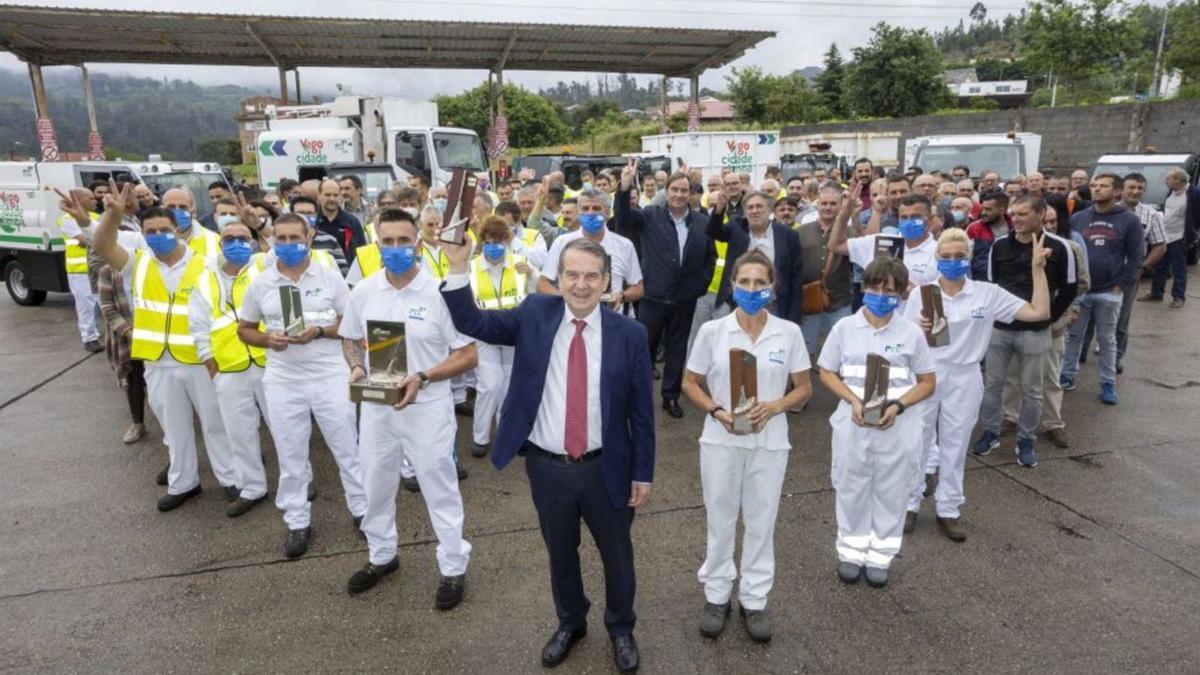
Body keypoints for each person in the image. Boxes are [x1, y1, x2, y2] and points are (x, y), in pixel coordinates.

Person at [439, 237, 654, 674]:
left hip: (605, 466)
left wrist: (642, 473)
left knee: (618, 555)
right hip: (548, 467)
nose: (581, 284)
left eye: (592, 276)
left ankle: (620, 628)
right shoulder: (534, 315)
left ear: (607, 281)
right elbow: (472, 320)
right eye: (572, 274)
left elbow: (640, 412)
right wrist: (459, 267)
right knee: (561, 552)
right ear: (557, 278)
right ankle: (571, 623)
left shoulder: (630, 334)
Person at [339, 209, 477, 606]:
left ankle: (453, 566)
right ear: (377, 244)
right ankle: (382, 555)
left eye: (404, 241)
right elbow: (349, 338)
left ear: (418, 243)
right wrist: (356, 365)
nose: (396, 249)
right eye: (388, 242)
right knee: (375, 485)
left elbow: (467, 354)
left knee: (440, 488)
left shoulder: (440, 294)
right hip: (379, 407)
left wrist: (424, 376)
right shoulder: (364, 291)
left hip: (427, 407)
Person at [681, 250, 812, 642]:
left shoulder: (788, 332)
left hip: (769, 443)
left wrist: (775, 406)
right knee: (720, 519)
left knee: (761, 521)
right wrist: (717, 410)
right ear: (733, 284)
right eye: (745, 282)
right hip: (720, 440)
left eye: (760, 283)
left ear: (772, 288)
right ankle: (717, 595)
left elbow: (804, 388)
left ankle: (754, 599)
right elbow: (690, 382)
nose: (752, 289)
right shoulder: (713, 331)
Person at [89, 182, 234, 512]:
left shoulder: (207, 263)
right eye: (150, 230)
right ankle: (184, 482)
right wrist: (112, 216)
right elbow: (101, 243)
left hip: (199, 359)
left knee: (215, 423)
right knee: (174, 428)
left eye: (164, 230)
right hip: (158, 362)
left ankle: (230, 478)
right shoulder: (137, 262)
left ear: (179, 232)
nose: (158, 235)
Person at [903, 228, 1050, 541]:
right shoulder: (922, 293)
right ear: (936, 258)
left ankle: (949, 508)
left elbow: (1039, 312)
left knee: (955, 445)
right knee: (918, 440)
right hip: (927, 373)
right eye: (946, 257)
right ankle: (910, 502)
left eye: (960, 256)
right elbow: (903, 338)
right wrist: (919, 327)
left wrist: (1038, 271)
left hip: (966, 375)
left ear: (969, 258)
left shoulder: (987, 293)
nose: (953, 261)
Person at [236, 213, 368, 558]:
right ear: (272, 241)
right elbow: (244, 328)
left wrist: (320, 331)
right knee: (291, 453)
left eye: (295, 238)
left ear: (309, 239)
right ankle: (297, 521)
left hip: (328, 375)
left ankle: (362, 511)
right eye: (280, 238)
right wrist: (267, 340)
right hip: (283, 379)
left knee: (347, 448)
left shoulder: (328, 276)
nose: (288, 245)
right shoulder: (260, 283)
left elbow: (349, 321)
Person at [816, 257, 936, 588]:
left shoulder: (911, 333)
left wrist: (898, 405)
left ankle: (880, 555)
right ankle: (851, 552)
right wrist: (853, 401)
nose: (880, 295)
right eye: (874, 287)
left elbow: (927, 382)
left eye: (888, 290)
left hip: (896, 427)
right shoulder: (845, 328)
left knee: (891, 491)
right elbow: (826, 371)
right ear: (864, 288)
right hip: (853, 425)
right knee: (851, 487)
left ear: (900, 295)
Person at [972, 194, 1077, 467]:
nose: (1015, 219)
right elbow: (992, 285)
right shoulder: (999, 246)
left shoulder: (1060, 247)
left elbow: (1069, 287)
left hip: (1037, 331)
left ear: (1041, 214)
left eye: (1022, 214)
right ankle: (991, 432)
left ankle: (1026, 439)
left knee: (1033, 390)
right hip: (1001, 329)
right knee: (993, 385)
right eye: (1013, 214)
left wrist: (1049, 318)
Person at [186, 202, 275, 518]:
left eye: (242, 238)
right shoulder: (205, 278)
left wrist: (261, 225)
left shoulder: (264, 265)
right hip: (228, 368)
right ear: (220, 243)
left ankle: (299, 481)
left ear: (251, 242)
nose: (236, 244)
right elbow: (197, 325)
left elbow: (286, 246)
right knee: (239, 432)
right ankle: (252, 487)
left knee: (284, 427)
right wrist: (211, 364)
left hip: (269, 360)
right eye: (229, 239)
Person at [615, 160, 717, 420]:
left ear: (691, 194)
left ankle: (670, 396)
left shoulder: (703, 223)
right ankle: (639, 397)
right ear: (667, 192)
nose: (680, 195)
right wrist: (625, 186)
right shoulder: (651, 215)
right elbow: (624, 219)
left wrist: (699, 286)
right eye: (675, 190)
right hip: (653, 297)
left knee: (677, 349)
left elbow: (710, 258)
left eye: (685, 191)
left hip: (685, 299)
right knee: (644, 347)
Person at [1059, 174, 1144, 405]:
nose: (1096, 189)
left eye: (1103, 186)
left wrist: (1120, 285)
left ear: (1116, 192)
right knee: (1074, 336)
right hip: (1081, 291)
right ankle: (1067, 376)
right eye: (1094, 185)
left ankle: (1108, 383)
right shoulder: (1078, 218)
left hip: (1109, 290)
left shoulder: (1128, 220)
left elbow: (1136, 256)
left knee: (1107, 339)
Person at [469, 215, 538, 455]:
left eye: (499, 241)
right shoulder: (472, 266)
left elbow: (539, 292)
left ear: (507, 241)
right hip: (484, 331)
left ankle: (506, 434)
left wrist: (532, 273)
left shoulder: (520, 263)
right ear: (482, 241)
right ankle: (480, 437)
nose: (494, 246)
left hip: (513, 331)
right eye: (489, 241)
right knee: (490, 385)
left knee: (510, 386)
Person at [540, 189, 644, 315]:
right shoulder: (562, 243)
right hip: (571, 318)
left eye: (596, 208)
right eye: (585, 208)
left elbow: (638, 288)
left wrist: (621, 296)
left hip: (611, 318)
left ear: (607, 212)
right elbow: (543, 284)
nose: (590, 213)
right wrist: (565, 297)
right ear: (578, 212)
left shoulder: (624, 245)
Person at [707, 190, 805, 325]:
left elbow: (796, 276)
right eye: (750, 207)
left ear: (770, 209)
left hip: (773, 303)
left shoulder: (788, 235)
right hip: (738, 301)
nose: (754, 211)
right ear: (745, 212)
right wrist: (719, 210)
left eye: (759, 206)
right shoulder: (737, 226)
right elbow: (714, 232)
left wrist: (794, 316)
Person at [830, 193, 940, 296]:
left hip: (916, 316)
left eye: (916, 217)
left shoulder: (940, 253)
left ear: (929, 220)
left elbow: (946, 294)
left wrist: (915, 292)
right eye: (904, 217)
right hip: (878, 316)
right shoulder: (880, 242)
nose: (909, 222)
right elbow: (836, 245)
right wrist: (844, 214)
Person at [1117, 173, 1167, 369]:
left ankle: (1116, 357)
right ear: (1121, 189)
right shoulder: (1108, 210)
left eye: (1140, 188)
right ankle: (1082, 354)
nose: (1136, 191)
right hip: (1102, 273)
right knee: (1091, 314)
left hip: (1130, 274)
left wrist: (1143, 267)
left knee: (1122, 316)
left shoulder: (1152, 215)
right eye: (1132, 187)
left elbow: (1160, 245)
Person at [795, 186, 854, 355]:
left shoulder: (848, 232)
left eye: (833, 204)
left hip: (840, 302)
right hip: (809, 302)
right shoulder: (800, 232)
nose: (828, 207)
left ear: (840, 206)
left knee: (844, 351)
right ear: (817, 205)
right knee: (805, 351)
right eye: (824, 203)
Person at [98, 260, 150, 446]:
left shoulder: (149, 265)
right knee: (134, 378)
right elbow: (107, 307)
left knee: (162, 380)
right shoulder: (108, 271)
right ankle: (138, 422)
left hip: (155, 333)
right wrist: (129, 332)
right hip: (129, 334)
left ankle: (175, 424)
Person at [54, 187, 104, 352]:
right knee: (86, 305)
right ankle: (89, 337)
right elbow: (85, 240)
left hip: (98, 268)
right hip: (80, 271)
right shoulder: (67, 220)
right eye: (90, 198)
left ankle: (96, 332)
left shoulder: (96, 217)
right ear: (79, 200)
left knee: (100, 304)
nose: (95, 200)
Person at [1142, 168, 1197, 308]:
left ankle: (1178, 297)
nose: (1166, 181)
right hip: (1165, 235)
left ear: (1179, 180)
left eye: (1169, 178)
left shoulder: (1194, 193)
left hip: (1180, 237)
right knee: (1160, 265)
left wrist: (1193, 231)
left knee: (1178, 268)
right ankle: (1156, 293)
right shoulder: (1171, 192)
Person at [288, 196, 350, 275]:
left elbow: (343, 272)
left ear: (316, 215)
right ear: (291, 215)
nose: (305, 216)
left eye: (310, 213)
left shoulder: (330, 240)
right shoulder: (284, 240)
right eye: (300, 213)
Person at [316, 178, 367, 267]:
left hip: (347, 276)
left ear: (340, 196)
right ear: (319, 195)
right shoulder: (312, 222)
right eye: (327, 195)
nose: (332, 199)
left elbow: (362, 251)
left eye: (335, 195)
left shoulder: (352, 222)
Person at [160, 188, 222, 259]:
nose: (177, 211)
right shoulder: (152, 241)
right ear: (162, 209)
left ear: (192, 208)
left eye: (183, 207)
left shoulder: (214, 240)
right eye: (171, 207)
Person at [965, 191, 1012, 280]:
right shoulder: (974, 228)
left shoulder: (1015, 227)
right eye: (983, 209)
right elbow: (965, 258)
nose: (983, 213)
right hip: (981, 283)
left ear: (1002, 210)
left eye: (988, 209)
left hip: (1009, 282)